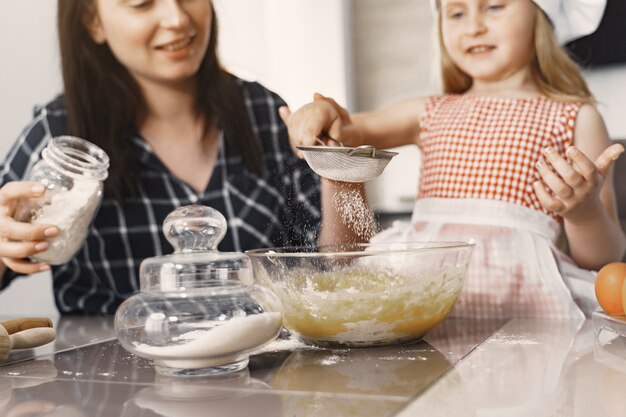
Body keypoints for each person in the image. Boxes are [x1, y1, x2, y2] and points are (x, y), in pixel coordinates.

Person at [0, 0, 365, 314]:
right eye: (143, 3)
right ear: (93, 22)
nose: (177, 18)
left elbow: (340, 267)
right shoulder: (63, 138)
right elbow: (9, 245)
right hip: (107, 384)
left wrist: (339, 162)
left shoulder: (262, 112)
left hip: (261, 377)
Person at [280, 0, 626, 319]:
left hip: (526, 309)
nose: (473, 26)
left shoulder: (576, 117)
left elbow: (603, 257)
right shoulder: (429, 110)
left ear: (542, 15)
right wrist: (322, 112)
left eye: (493, 7)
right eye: (456, 13)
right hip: (423, 297)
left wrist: (583, 213)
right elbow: (348, 129)